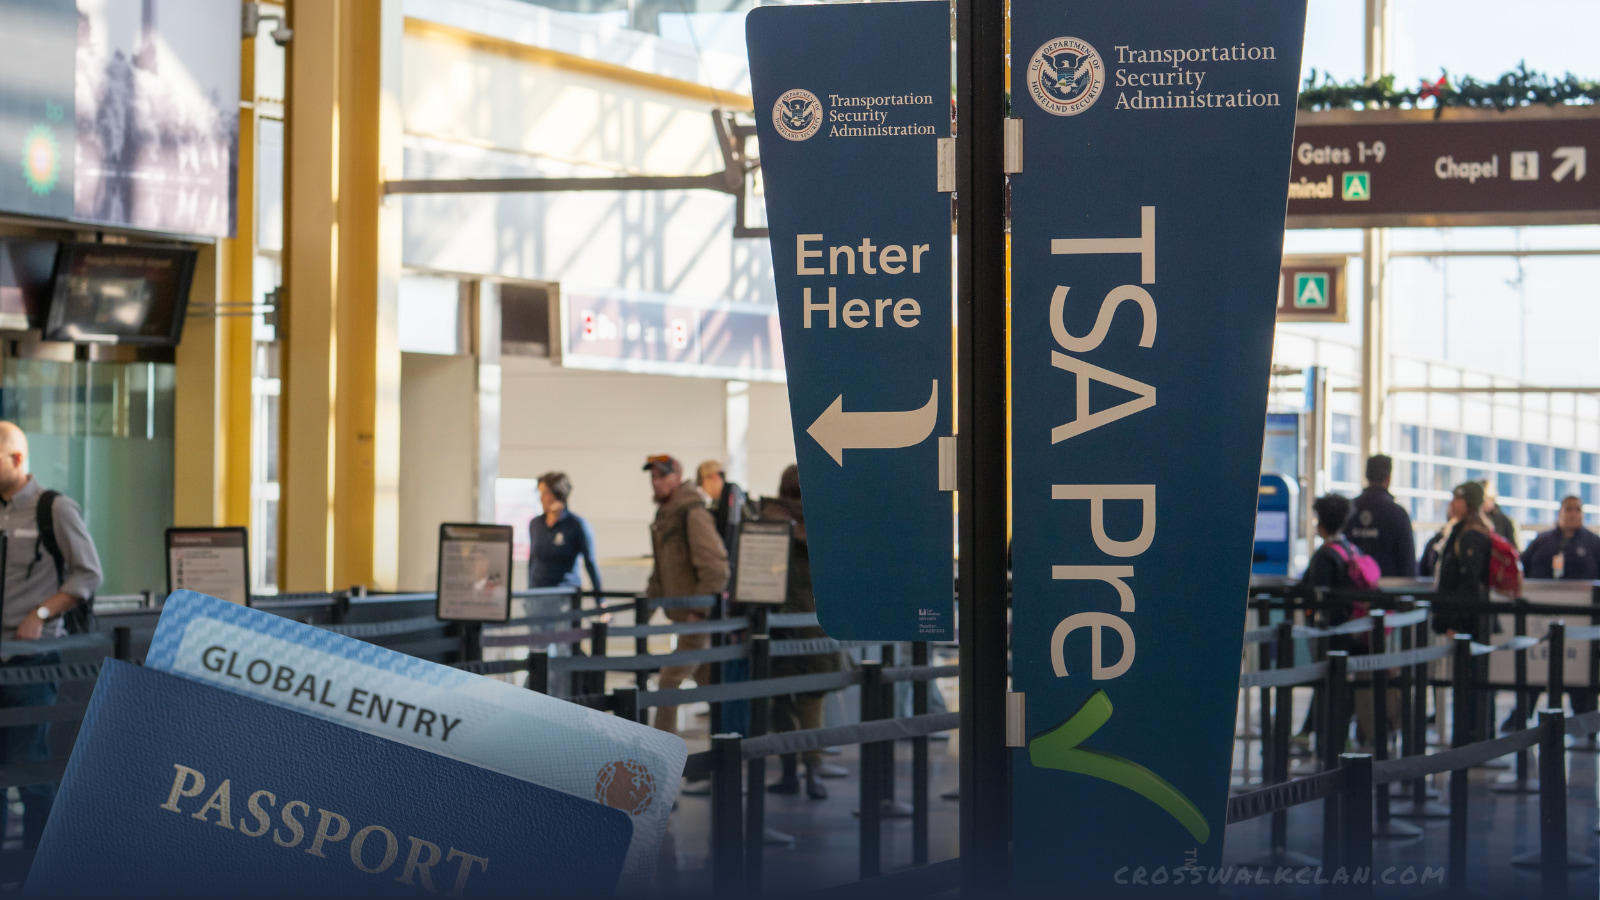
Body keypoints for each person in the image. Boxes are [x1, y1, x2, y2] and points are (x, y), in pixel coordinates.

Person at [0, 422, 102, 848]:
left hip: (32, 663)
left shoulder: (54, 508)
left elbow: (89, 573)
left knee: (29, 771)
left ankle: (38, 876)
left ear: (17, 459)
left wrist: (40, 613)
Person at [760, 465, 844, 800]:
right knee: (811, 705)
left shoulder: (768, 517)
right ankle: (814, 773)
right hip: (816, 626)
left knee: (781, 703)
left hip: (777, 624)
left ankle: (788, 772)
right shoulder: (825, 522)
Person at [643, 454, 729, 736]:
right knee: (710, 684)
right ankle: (734, 742)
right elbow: (660, 571)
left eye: (662, 476)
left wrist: (698, 611)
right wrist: (644, 607)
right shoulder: (666, 515)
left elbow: (716, 567)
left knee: (668, 680)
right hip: (683, 618)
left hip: (696, 620)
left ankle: (658, 753)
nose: (656, 482)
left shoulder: (692, 512)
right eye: (653, 477)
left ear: (677, 477)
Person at [527, 472, 602, 593]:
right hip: (538, 595)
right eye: (540, 493)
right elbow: (532, 561)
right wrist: (529, 592)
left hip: (565, 595)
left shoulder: (577, 525)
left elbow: (590, 563)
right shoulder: (535, 524)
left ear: (558, 495)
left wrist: (600, 601)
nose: (541, 498)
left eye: (545, 493)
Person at [1344, 454, 1417, 577]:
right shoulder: (1397, 513)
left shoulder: (1348, 509)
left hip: (1351, 589)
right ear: (1388, 477)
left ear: (1366, 475)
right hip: (1386, 589)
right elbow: (1407, 561)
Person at [1522, 496, 1600, 581]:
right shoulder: (1541, 541)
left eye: (1578, 510)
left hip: (1583, 593)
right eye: (1568, 509)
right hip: (1543, 591)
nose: (1573, 514)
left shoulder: (1594, 542)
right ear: (1559, 513)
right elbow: (1522, 568)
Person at [695, 460, 748, 565]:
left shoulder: (732, 497)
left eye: (702, 483)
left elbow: (731, 536)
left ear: (714, 477)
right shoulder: (719, 504)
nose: (703, 488)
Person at [1481, 479, 1519, 548]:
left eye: (1488, 498)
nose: (1485, 502)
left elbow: (1514, 550)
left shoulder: (1505, 521)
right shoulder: (1472, 519)